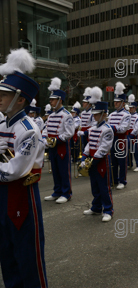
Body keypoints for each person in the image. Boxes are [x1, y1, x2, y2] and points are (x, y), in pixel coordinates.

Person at [0, 48, 48, 287]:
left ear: (20, 99)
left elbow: (14, 170)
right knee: (6, 254)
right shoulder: (2, 120)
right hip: (2, 192)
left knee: (28, 256)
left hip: (21, 193)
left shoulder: (28, 128)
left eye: (4, 94)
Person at [80, 87, 114, 222]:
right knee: (94, 185)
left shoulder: (107, 129)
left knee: (104, 186)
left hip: (101, 160)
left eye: (97, 114)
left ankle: (108, 210)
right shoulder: (93, 128)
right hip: (92, 160)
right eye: (94, 114)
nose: (94, 116)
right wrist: (84, 156)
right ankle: (96, 207)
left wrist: (91, 160)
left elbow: (103, 148)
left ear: (104, 114)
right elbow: (90, 144)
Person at [43, 77, 74, 204]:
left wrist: (56, 140)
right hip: (52, 146)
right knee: (55, 170)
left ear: (59, 100)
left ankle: (66, 193)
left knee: (63, 170)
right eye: (50, 99)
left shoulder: (67, 115)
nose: (50, 101)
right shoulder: (50, 116)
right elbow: (45, 129)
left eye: (53, 99)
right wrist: (45, 139)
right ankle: (57, 191)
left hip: (61, 146)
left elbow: (69, 133)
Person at [107, 82, 131, 190]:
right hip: (112, 139)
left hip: (121, 139)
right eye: (115, 102)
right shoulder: (111, 115)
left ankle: (122, 180)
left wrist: (111, 128)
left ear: (122, 103)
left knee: (122, 161)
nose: (115, 104)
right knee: (113, 161)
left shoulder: (127, 115)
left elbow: (123, 129)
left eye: (118, 102)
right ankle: (114, 179)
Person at [127, 94, 138, 172]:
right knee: (128, 150)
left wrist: (131, 135)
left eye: (132, 108)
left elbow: (137, 128)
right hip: (128, 134)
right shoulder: (128, 115)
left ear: (135, 108)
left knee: (135, 151)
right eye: (129, 108)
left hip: (134, 135)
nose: (130, 109)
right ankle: (129, 164)